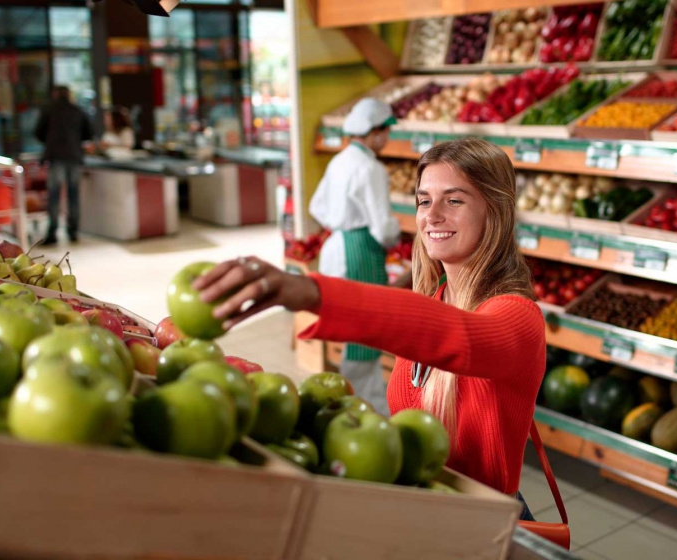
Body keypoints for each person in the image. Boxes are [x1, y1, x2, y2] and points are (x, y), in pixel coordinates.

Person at [193, 138, 544, 518]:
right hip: (425, 512)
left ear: (496, 211)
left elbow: (460, 338)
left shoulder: (519, 317)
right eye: (424, 200)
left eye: (454, 200)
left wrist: (311, 292)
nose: (432, 215)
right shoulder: (435, 298)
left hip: (484, 523)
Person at [306, 97, 401, 415]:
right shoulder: (370, 168)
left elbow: (316, 206)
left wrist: (339, 224)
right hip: (360, 251)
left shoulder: (340, 160)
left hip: (337, 247)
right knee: (365, 333)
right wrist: (396, 237)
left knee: (353, 331)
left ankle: (353, 398)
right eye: (385, 132)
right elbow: (382, 226)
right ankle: (364, 407)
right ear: (374, 133)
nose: (387, 139)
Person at [34, 85, 93, 246]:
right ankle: (73, 231)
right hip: (74, 156)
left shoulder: (48, 110)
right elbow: (88, 133)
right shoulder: (77, 110)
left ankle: (52, 232)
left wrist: (51, 142)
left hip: (55, 157)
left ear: (55, 94)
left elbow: (38, 132)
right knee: (73, 195)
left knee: (54, 196)